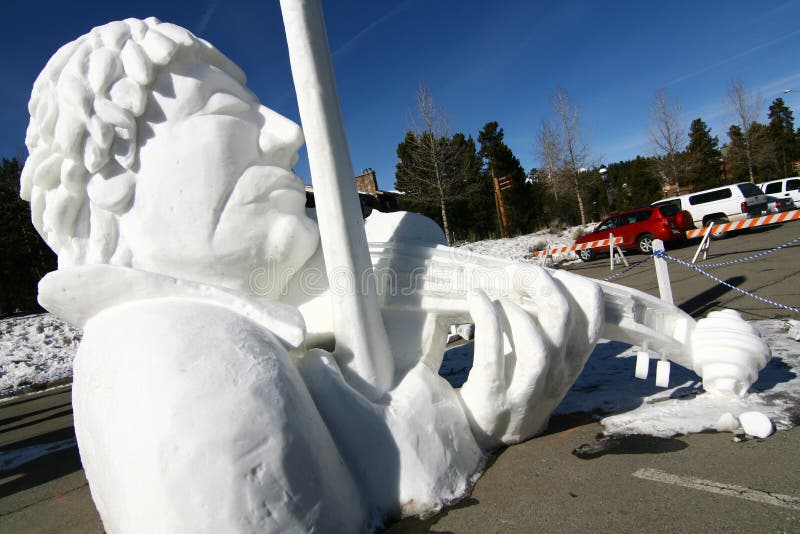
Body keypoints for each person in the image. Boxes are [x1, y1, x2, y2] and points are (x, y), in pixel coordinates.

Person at [21, 17, 767, 533]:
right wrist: (470, 426)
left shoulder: (211, 322)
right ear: (113, 176)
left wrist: (686, 336)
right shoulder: (177, 361)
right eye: (226, 111)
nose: (285, 134)